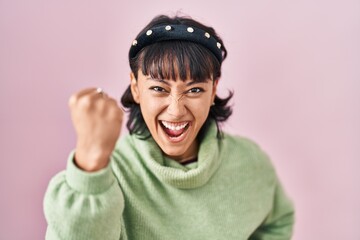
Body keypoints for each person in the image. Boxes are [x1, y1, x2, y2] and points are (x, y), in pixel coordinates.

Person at [44, 14, 295, 240]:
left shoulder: (249, 162)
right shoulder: (111, 174)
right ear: (135, 86)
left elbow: (278, 222)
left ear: (213, 90)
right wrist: (91, 168)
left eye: (195, 90)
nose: (176, 110)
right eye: (158, 88)